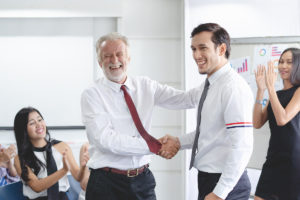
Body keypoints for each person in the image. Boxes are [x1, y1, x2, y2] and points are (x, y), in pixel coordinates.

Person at [80, 32, 201, 200]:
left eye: (119, 54)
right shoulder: (92, 94)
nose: (114, 60)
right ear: (100, 62)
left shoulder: (145, 85)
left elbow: (186, 99)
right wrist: (154, 146)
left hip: (142, 181)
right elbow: (106, 140)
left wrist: (215, 78)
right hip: (106, 183)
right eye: (107, 56)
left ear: (128, 58)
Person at [161, 23, 254, 200]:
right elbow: (209, 130)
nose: (196, 55)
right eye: (193, 49)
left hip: (225, 184)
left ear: (221, 49)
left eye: (203, 48)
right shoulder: (210, 85)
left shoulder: (232, 87)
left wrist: (220, 192)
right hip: (208, 179)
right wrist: (178, 141)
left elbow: (242, 146)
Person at [253, 48, 300, 200]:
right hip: (273, 158)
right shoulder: (277, 94)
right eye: (281, 62)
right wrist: (261, 90)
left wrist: (271, 88)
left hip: (293, 161)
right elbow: (257, 122)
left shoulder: (298, 91)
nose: (283, 66)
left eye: (289, 62)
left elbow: (283, 119)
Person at [13, 107, 87, 200]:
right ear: (23, 130)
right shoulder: (20, 158)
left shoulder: (61, 146)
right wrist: (63, 170)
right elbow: (37, 186)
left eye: (40, 120)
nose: (39, 124)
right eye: (32, 123)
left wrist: (84, 167)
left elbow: (78, 177)